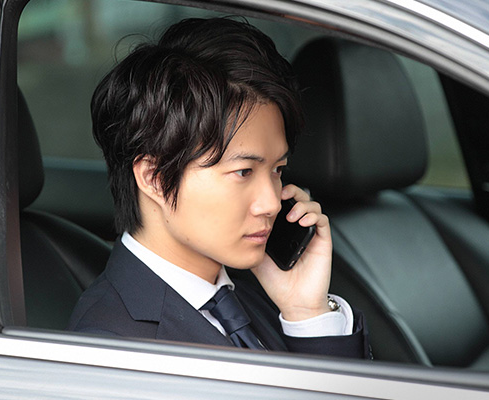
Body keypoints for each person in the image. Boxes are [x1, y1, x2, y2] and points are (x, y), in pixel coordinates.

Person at [68, 17, 371, 359]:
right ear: (154, 178)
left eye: (278, 170)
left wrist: (307, 314)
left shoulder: (258, 294)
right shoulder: (113, 346)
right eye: (243, 172)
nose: (272, 203)